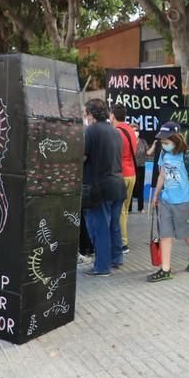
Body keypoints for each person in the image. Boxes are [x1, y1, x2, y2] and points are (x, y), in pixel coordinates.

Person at [147, 121, 189, 282]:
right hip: (166, 201)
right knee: (165, 235)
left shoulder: (188, 156)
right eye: (162, 142)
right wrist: (156, 195)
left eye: (166, 142)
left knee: (186, 234)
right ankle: (165, 269)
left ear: (176, 139)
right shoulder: (164, 155)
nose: (163, 145)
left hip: (184, 201)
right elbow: (162, 176)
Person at [82, 99, 126, 276]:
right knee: (113, 226)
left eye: (86, 114)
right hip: (118, 185)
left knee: (100, 228)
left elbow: (83, 157)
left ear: (91, 115)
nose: (86, 118)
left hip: (99, 188)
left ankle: (102, 267)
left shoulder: (91, 131)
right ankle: (116, 258)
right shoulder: (115, 131)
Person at [110, 104, 137, 254]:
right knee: (124, 210)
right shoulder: (131, 131)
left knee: (119, 211)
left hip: (120, 175)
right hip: (131, 173)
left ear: (113, 115)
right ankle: (123, 241)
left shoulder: (116, 133)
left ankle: (122, 243)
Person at [128, 123, 148, 213]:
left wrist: (155, 146)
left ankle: (141, 208)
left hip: (141, 166)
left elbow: (148, 152)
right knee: (131, 187)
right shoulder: (128, 141)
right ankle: (128, 208)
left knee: (141, 188)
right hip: (131, 166)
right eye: (133, 130)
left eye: (137, 130)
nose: (135, 132)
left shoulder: (143, 141)